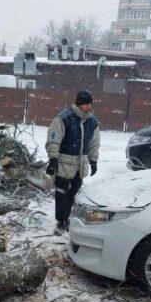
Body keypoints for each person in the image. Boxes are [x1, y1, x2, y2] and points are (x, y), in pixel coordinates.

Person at [45, 90, 101, 234]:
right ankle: (61, 221)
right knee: (61, 194)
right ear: (79, 103)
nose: (89, 107)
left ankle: (67, 218)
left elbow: (95, 143)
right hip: (64, 163)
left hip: (80, 165)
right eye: (87, 104)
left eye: (90, 104)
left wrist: (93, 161)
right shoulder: (64, 118)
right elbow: (53, 140)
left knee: (74, 194)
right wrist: (53, 159)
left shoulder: (92, 121)